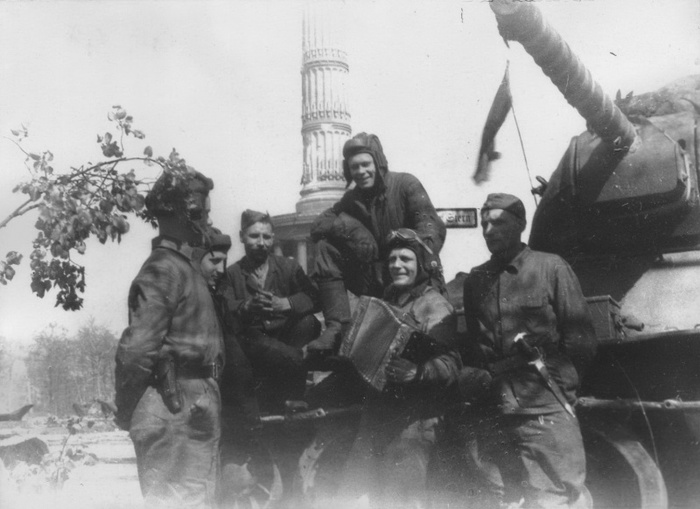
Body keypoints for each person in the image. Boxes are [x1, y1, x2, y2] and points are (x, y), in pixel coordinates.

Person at [460, 193, 597, 509]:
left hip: (543, 402)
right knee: (504, 497)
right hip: (495, 405)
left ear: (521, 224)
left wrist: (559, 391)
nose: (489, 231)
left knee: (556, 496)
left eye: (499, 223)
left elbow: (580, 340)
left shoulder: (551, 267)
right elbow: (476, 344)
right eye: (484, 224)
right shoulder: (476, 280)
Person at [114, 167, 224, 508]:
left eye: (205, 212)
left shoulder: (183, 267)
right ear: (176, 214)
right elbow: (136, 350)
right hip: (172, 404)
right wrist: (128, 405)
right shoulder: (163, 268)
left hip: (193, 401)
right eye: (198, 212)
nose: (206, 220)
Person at [337, 228, 462, 509]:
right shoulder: (388, 297)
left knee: (402, 500)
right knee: (356, 495)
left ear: (421, 265)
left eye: (405, 259)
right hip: (377, 414)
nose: (397, 265)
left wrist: (417, 372)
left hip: (414, 420)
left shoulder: (435, 305)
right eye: (392, 259)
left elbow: (452, 364)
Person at [307, 132, 446, 353]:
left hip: (414, 277)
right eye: (354, 167)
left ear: (378, 162)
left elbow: (431, 228)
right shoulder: (352, 199)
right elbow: (319, 224)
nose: (361, 172)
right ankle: (336, 328)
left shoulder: (406, 185)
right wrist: (353, 229)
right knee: (326, 248)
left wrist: (405, 249)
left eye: (366, 164)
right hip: (378, 277)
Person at [222, 209, 320, 413]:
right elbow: (224, 306)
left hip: (286, 336)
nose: (261, 243)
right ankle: (294, 380)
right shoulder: (232, 273)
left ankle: (291, 395)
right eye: (254, 236)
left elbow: (313, 297)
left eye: (266, 237)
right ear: (241, 236)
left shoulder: (289, 267)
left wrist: (286, 303)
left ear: (273, 238)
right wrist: (246, 306)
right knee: (257, 342)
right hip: (255, 342)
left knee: (309, 322)